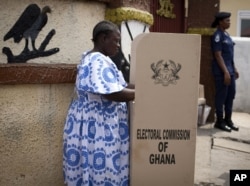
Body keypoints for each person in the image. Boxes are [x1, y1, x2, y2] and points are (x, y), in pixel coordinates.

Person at [63, 20, 135, 186]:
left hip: (92, 122)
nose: (118, 45)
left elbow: (120, 85)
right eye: (115, 40)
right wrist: (144, 94)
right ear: (103, 39)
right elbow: (113, 93)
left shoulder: (95, 58)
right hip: (97, 127)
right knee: (103, 170)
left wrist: (147, 87)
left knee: (91, 169)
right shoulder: (97, 61)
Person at [211, 12, 239, 132]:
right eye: (227, 20)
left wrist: (234, 68)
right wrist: (226, 72)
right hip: (222, 71)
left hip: (230, 70)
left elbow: (229, 55)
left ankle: (228, 120)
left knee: (230, 96)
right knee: (221, 96)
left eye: (229, 20)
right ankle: (219, 121)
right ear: (220, 22)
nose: (229, 22)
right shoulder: (218, 35)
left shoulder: (226, 34)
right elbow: (218, 55)